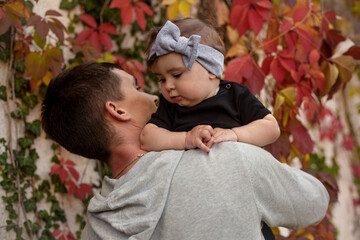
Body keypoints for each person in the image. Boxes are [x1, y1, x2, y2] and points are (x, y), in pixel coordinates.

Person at [41, 62, 329, 240]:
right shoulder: (227, 158)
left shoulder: (95, 229)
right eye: (137, 87)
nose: (156, 95)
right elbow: (314, 202)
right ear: (117, 110)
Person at [140, 19, 280, 153]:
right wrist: (185, 139)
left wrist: (235, 134)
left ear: (211, 70)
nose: (168, 86)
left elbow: (271, 128)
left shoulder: (235, 95)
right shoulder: (170, 106)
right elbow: (147, 138)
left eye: (176, 75)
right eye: (162, 79)